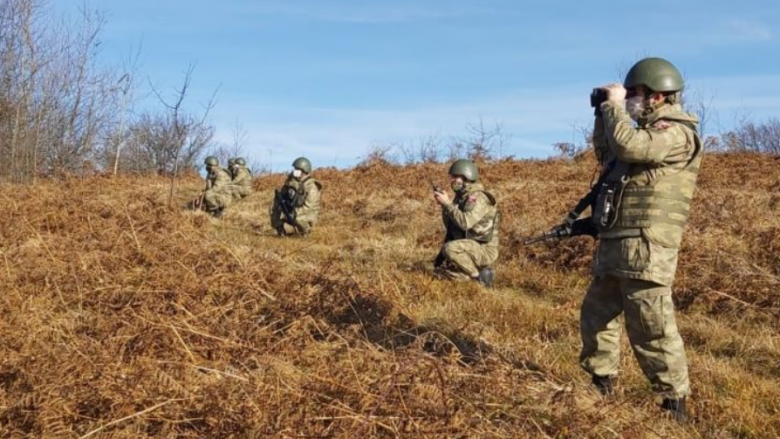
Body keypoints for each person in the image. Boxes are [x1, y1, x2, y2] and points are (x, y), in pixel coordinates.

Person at [579, 57, 702, 422]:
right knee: (596, 316)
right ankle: (601, 386)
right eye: (628, 92)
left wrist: (615, 108)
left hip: (647, 248)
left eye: (635, 92)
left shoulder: (675, 133)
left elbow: (631, 147)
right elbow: (609, 153)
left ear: (659, 96)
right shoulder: (639, 133)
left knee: (651, 327)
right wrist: (603, 114)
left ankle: (673, 406)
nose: (629, 97)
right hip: (617, 244)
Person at [432, 159, 499, 287]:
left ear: (467, 177)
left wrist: (447, 204)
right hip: (469, 245)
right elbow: (451, 227)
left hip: (483, 250)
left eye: (456, 177)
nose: (452, 180)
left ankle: (480, 277)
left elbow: (465, 223)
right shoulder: (461, 197)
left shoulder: (478, 198)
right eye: (452, 177)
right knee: (439, 273)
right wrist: (445, 206)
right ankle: (468, 277)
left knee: (449, 248)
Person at [269, 157, 322, 236]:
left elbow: (308, 207)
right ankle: (281, 232)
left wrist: (293, 213)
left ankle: (305, 233)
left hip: (307, 214)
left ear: (304, 171)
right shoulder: (291, 183)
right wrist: (279, 205)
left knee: (298, 219)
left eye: (297, 170)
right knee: (273, 209)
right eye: (295, 169)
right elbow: (282, 195)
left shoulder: (312, 187)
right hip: (292, 211)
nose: (295, 172)